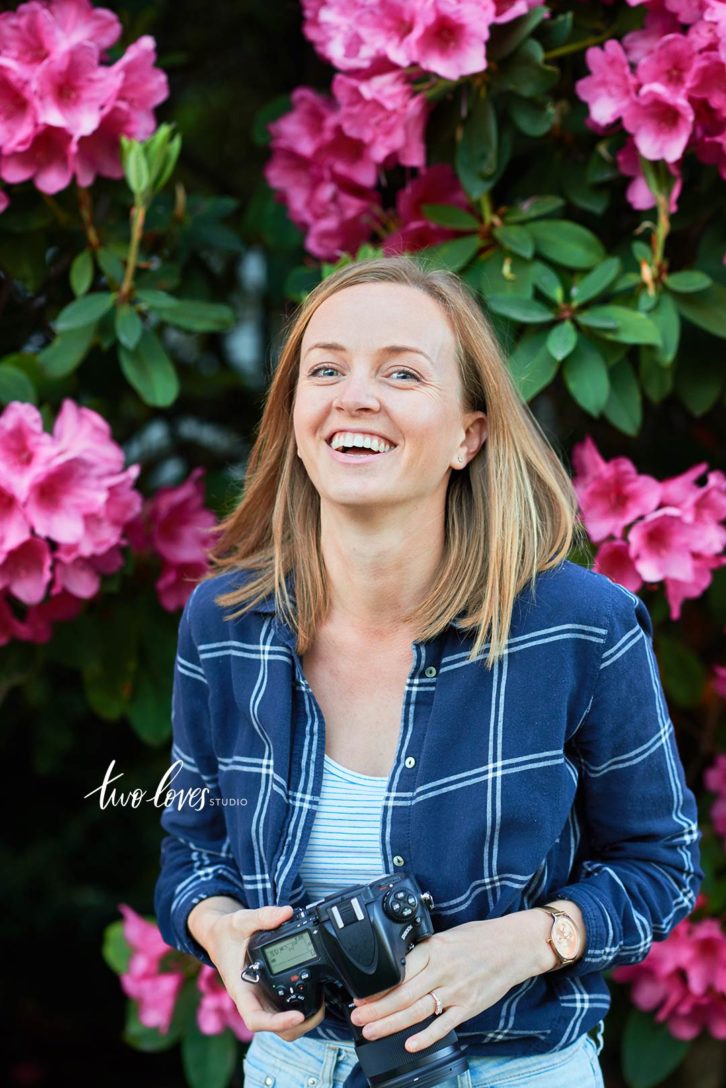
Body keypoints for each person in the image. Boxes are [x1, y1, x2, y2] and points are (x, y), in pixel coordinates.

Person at [154, 255, 702, 1088]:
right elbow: (192, 847)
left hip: (517, 1071)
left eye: (401, 372)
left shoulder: (580, 628)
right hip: (293, 1069)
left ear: (467, 435)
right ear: (296, 412)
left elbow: (662, 865)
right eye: (326, 369)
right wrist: (220, 929)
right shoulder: (226, 625)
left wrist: (528, 942)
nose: (355, 396)